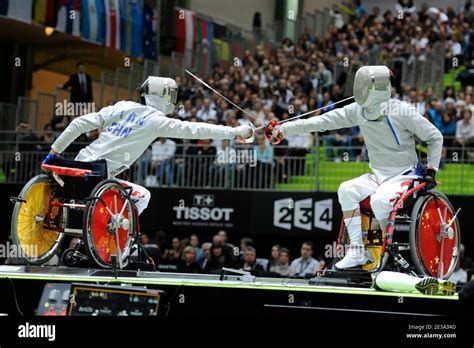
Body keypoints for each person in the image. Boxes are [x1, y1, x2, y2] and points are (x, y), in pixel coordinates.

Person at [270, 66, 443, 269]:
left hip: (405, 174)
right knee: (346, 190)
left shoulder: (402, 110)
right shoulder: (357, 110)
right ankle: (358, 251)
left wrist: (431, 169)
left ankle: (388, 253)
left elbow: (434, 136)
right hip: (378, 175)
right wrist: (284, 128)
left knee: (379, 201)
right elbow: (321, 121)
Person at [42, 76, 253, 216]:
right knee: (143, 197)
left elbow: (78, 123)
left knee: (118, 186)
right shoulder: (156, 121)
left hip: (77, 168)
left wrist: (53, 153)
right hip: (99, 178)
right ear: (160, 96)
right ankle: (113, 233)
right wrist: (234, 132)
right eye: (169, 96)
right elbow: (195, 129)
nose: (172, 100)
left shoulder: (122, 106)